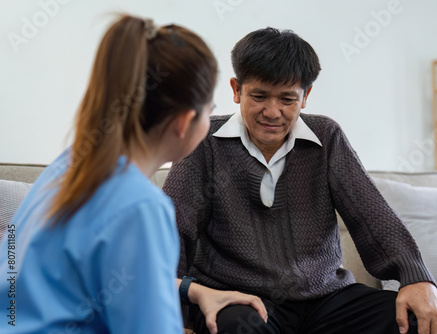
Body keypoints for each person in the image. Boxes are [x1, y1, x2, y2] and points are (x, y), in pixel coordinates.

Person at [163, 27, 437, 334]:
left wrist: (416, 277)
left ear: (306, 95)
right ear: (236, 89)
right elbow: (172, 234)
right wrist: (175, 315)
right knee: (231, 328)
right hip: (243, 301)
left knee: (412, 320)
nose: (273, 112)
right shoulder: (203, 142)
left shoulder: (327, 137)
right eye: (259, 96)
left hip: (326, 299)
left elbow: (372, 215)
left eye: (287, 99)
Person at [0, 14, 264, 334]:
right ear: (184, 122)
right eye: (209, 110)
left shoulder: (69, 165)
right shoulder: (141, 206)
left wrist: (193, 290)